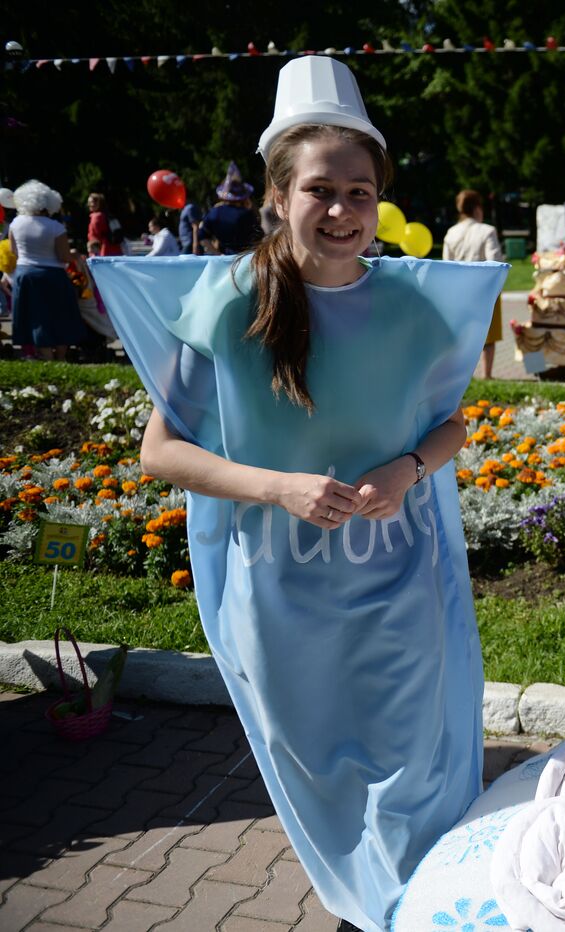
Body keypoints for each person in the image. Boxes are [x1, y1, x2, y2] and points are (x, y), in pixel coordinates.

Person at [88, 55, 507, 932]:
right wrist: (275, 485)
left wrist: (410, 470)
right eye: (322, 190)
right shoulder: (226, 306)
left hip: (399, 579)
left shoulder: (415, 308)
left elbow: (451, 427)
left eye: (361, 192)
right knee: (320, 768)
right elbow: (162, 451)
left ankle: (415, 909)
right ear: (278, 196)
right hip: (281, 592)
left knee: (413, 767)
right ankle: (371, 900)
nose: (344, 210)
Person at [6, 180, 88, 360]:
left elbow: (14, 251)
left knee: (35, 317)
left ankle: (45, 357)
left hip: (25, 274)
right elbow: (63, 257)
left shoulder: (15, 223)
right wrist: (75, 254)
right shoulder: (55, 227)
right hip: (53, 275)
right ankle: (60, 357)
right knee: (60, 316)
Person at [443, 189, 506, 378]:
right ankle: (487, 375)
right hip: (484, 290)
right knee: (488, 336)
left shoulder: (451, 233)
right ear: (478, 208)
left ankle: (464, 375)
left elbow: (447, 265)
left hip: (459, 292)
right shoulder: (487, 231)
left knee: (463, 336)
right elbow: (495, 261)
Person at [196, 162, 260, 254]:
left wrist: (218, 254)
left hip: (224, 260)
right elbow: (259, 238)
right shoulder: (248, 214)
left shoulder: (215, 213)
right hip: (246, 258)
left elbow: (202, 237)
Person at [86, 193, 124, 258]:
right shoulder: (106, 214)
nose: (89, 205)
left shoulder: (97, 217)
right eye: (88, 202)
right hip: (113, 248)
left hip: (102, 250)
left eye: (91, 202)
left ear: (99, 203)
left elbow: (95, 236)